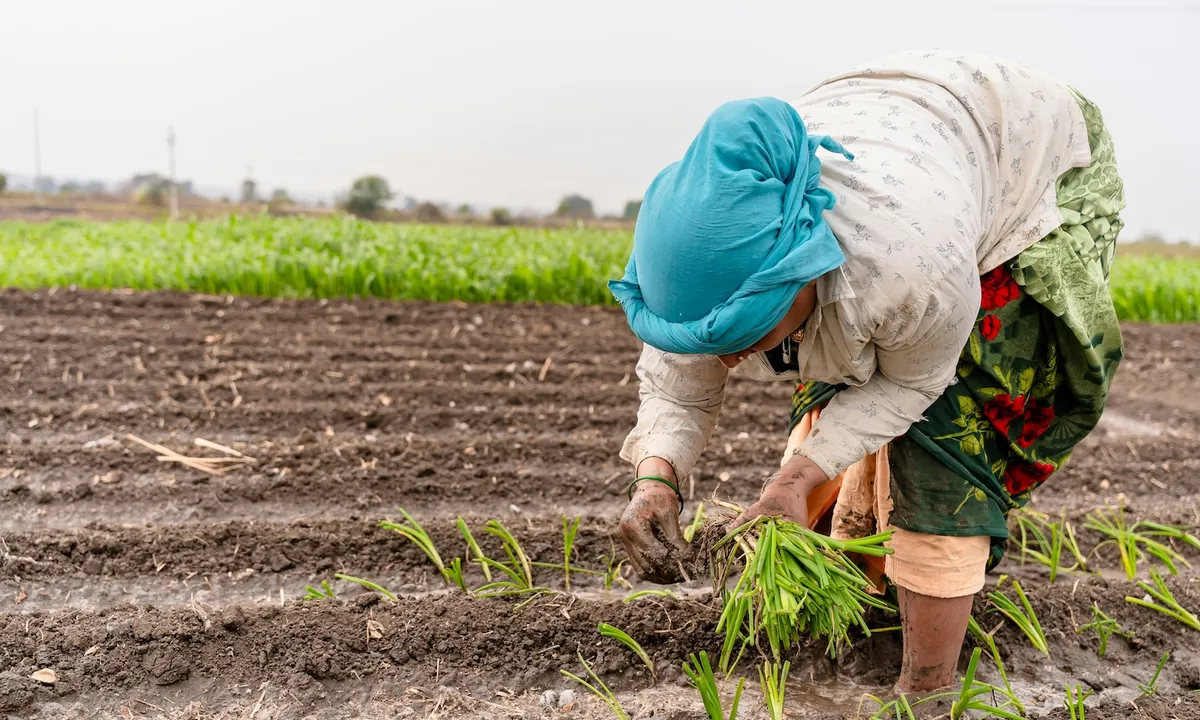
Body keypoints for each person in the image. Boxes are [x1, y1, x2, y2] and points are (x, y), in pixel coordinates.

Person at [611, 50, 1124, 693]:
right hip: (905, 132)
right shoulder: (690, 253)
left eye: (748, 336)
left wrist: (795, 478)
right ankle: (862, 614)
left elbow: (912, 382)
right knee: (830, 403)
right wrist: (657, 478)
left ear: (806, 267)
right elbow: (678, 376)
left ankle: (927, 689)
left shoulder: (908, 267)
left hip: (1027, 156)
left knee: (944, 438)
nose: (732, 361)